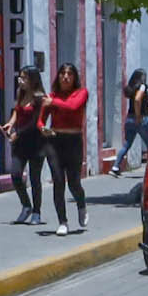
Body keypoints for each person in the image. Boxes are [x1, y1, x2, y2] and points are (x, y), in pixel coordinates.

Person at [41, 63, 90, 233]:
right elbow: (41, 119)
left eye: (69, 74)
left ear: (74, 77)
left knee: (74, 182)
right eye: (62, 73)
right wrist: (42, 128)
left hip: (74, 141)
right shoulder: (52, 96)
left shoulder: (81, 93)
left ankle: (81, 205)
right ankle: (62, 221)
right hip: (55, 141)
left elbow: (73, 106)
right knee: (58, 181)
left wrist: (52, 101)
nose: (66, 77)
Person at [3, 68, 49, 227]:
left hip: (36, 142)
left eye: (24, 78)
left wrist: (18, 133)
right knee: (15, 174)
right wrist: (11, 123)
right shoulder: (20, 93)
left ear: (32, 80)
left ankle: (36, 212)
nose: (20, 81)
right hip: (20, 143)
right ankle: (26, 205)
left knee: (35, 179)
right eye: (19, 77)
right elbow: (17, 111)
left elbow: (35, 121)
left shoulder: (40, 98)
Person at [112, 71, 148, 174]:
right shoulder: (142, 87)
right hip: (140, 120)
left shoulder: (131, 88)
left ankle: (115, 167)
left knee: (126, 144)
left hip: (129, 119)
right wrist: (138, 116)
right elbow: (137, 100)